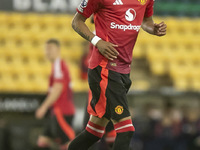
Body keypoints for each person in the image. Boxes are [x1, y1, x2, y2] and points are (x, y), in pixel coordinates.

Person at [68, 0, 167, 150]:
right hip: (104, 69)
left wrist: (152, 28)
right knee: (126, 131)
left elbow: (146, 21)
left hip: (124, 70)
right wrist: (97, 41)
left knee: (93, 132)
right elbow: (77, 21)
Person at [35, 39, 75, 150]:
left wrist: (43, 107)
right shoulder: (56, 66)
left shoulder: (59, 64)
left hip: (61, 110)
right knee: (43, 141)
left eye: (50, 49)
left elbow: (58, 88)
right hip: (57, 110)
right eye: (46, 49)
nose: (47, 52)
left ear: (58, 50)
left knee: (68, 143)